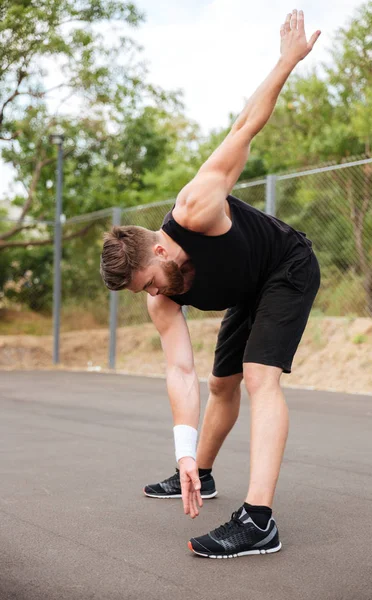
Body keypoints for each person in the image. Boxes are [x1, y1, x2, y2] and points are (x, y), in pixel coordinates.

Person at [100, 9, 321, 559]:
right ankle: (200, 472)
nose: (154, 295)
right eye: (144, 293)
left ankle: (259, 520)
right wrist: (182, 451)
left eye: (149, 283)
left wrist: (286, 60)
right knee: (221, 385)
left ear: (156, 248)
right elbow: (181, 371)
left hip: (286, 265)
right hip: (248, 289)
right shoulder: (161, 299)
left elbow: (244, 125)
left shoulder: (195, 207)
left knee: (257, 379)